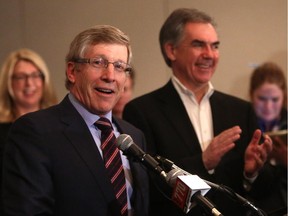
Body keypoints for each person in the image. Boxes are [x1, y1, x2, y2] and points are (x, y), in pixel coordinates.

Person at [123, 8, 273, 216]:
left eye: (215, 46)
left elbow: (265, 193)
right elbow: (148, 189)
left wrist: (251, 173)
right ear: (171, 51)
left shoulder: (240, 110)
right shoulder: (142, 111)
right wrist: (202, 162)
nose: (209, 55)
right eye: (198, 44)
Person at [2, 25, 149, 216]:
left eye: (120, 67)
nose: (110, 76)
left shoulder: (134, 136)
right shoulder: (35, 131)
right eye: (98, 62)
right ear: (72, 71)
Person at [0, 48, 57, 213]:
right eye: (21, 77)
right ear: (8, 83)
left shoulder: (60, 127)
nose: (29, 84)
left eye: (35, 75)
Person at [249, 62, 287, 215]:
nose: (268, 106)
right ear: (251, 94)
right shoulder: (242, 126)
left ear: (284, 96)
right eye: (262, 99)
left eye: (275, 100)